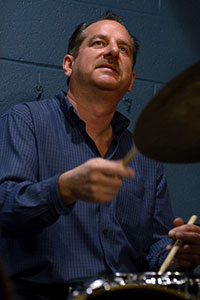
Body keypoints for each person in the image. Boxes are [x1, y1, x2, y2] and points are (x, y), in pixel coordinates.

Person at [0, 11, 200, 300]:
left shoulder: (144, 155)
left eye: (124, 49)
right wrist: (64, 189)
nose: (112, 52)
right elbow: (5, 207)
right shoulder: (26, 121)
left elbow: (156, 251)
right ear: (69, 65)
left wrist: (179, 256)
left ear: (131, 80)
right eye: (98, 43)